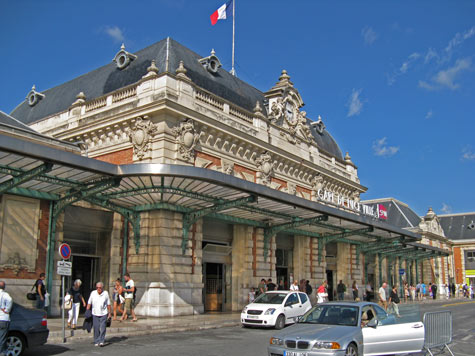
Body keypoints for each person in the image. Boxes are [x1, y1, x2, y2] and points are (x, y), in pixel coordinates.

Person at [87, 282, 111, 347]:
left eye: (100, 288)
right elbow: (89, 303)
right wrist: (87, 311)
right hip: (95, 313)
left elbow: (108, 304)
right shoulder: (93, 293)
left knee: (103, 328)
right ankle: (96, 340)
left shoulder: (105, 293)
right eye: (97, 287)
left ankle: (101, 341)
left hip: (103, 313)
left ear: (102, 287)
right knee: (96, 328)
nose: (98, 289)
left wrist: (109, 313)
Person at [0, 281, 13, 356]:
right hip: (3, 318)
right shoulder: (4, 294)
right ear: (4, 287)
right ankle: (2, 353)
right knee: (2, 338)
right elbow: (10, 300)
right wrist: (7, 310)